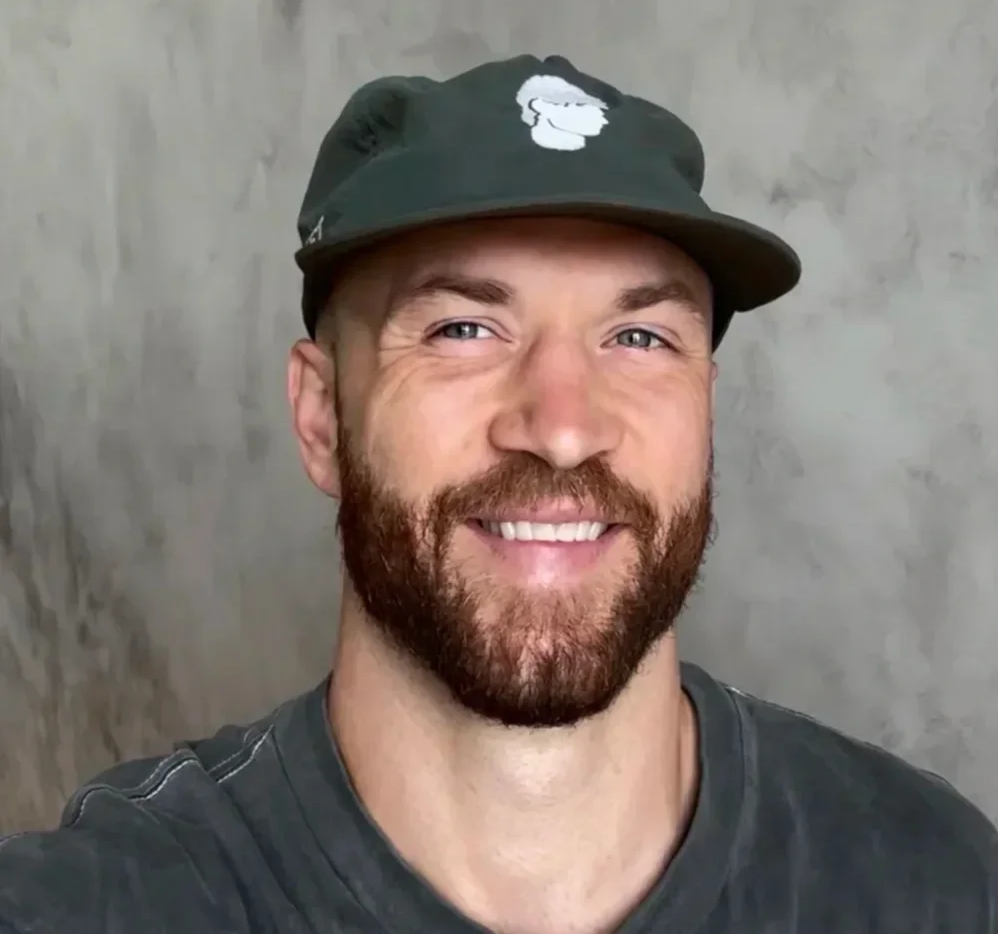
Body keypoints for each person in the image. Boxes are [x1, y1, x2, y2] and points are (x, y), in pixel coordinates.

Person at [0, 54, 995, 934]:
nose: (562, 427)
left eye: (639, 337)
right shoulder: (99, 906)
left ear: (706, 402)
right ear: (322, 416)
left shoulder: (932, 886)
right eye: (463, 330)